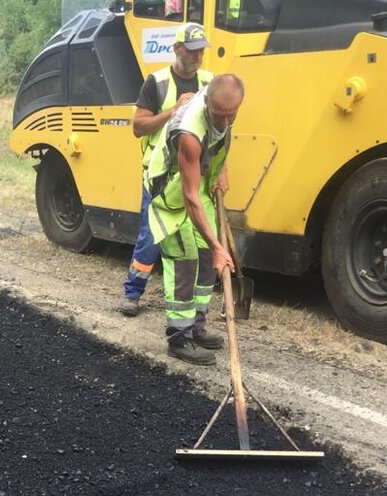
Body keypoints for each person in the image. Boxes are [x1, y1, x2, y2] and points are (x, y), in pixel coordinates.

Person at [144, 74, 242, 366]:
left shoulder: (223, 111)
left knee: (204, 257)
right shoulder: (188, 132)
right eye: (219, 116)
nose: (225, 122)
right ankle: (178, 338)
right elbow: (189, 196)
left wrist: (220, 170)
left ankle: (196, 327)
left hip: (196, 185)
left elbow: (216, 144)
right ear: (208, 104)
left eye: (231, 116)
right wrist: (218, 247)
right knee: (185, 261)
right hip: (171, 191)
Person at [121, 22, 213, 318]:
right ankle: (133, 292)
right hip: (160, 177)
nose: (198, 57)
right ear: (177, 49)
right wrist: (174, 110)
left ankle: (191, 309)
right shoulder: (157, 82)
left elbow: (218, 131)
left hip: (196, 174)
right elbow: (138, 127)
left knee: (196, 241)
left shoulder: (209, 83)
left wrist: (220, 172)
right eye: (192, 51)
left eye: (202, 51)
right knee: (151, 237)